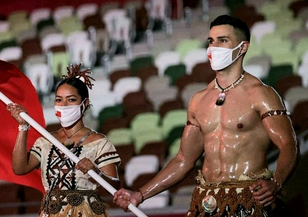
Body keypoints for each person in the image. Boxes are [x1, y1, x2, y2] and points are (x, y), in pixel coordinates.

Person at [113, 15, 300, 216]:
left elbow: (289, 144)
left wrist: (276, 182)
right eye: (211, 41)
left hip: (250, 201)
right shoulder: (199, 100)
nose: (214, 47)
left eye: (223, 40)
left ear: (243, 47)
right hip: (208, 202)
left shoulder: (261, 94)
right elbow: (184, 159)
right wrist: (139, 195)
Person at [8, 63, 121, 217]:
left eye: (71, 100)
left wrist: (96, 172)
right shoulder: (46, 140)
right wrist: (23, 127)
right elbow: (19, 168)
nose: (64, 105)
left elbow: (115, 188)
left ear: (85, 103)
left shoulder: (99, 142)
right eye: (59, 100)